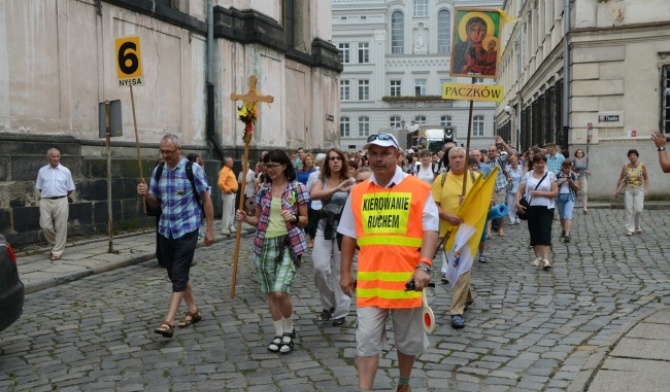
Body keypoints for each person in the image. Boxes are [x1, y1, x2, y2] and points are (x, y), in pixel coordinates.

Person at [338, 133, 439, 392]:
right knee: (366, 340)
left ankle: (404, 383)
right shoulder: (358, 192)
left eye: (385, 153)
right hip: (371, 282)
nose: (378, 159)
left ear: (398, 156)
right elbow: (349, 235)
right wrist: (345, 273)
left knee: (408, 342)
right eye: (373, 153)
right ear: (367, 157)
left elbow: (430, 229)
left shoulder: (418, 188)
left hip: (407, 282)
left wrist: (424, 265)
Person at [136, 134, 215, 338]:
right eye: (161, 151)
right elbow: (155, 202)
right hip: (165, 229)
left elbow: (206, 200)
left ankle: (168, 321)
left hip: (188, 228)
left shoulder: (193, 170)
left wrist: (210, 229)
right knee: (174, 274)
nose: (164, 155)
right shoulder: (159, 170)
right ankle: (194, 311)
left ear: (178, 149)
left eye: (168, 152)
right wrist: (145, 194)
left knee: (179, 273)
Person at [235, 150, 308, 354]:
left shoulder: (297, 188)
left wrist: (293, 217)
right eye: (267, 166)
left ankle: (290, 329)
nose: (270, 169)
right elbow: (258, 220)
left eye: (274, 165)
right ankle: (279, 333)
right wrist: (244, 218)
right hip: (264, 244)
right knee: (271, 294)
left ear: (284, 166)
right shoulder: (263, 189)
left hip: (289, 244)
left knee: (280, 290)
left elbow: (304, 220)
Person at [433, 147, 482, 328]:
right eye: (454, 157)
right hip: (448, 232)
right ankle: (467, 296)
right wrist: (447, 215)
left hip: (468, 232)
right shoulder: (442, 179)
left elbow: (487, 202)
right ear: (449, 160)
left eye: (461, 157)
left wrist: (469, 203)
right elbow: (434, 205)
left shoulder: (475, 179)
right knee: (459, 268)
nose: (458, 160)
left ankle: (456, 311)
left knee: (461, 269)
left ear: (466, 159)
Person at [310, 148, 354, 326]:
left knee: (339, 271)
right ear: (327, 162)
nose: (335, 161)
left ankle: (341, 311)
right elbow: (314, 195)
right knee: (319, 267)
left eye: (338, 158)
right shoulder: (322, 180)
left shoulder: (349, 180)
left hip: (344, 230)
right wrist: (337, 188)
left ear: (343, 162)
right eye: (332, 159)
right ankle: (329, 303)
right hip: (324, 227)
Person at [515, 154, 558, 270]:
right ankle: (538, 257)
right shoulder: (528, 176)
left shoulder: (550, 175)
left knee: (545, 231)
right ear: (533, 164)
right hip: (532, 208)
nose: (540, 165)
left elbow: (555, 193)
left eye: (542, 163)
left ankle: (546, 259)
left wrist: (540, 193)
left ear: (545, 163)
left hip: (547, 208)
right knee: (534, 232)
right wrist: (517, 202)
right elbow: (519, 191)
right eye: (537, 163)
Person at [36, 148, 76, 261]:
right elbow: (39, 187)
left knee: (61, 226)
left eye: (58, 156)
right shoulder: (42, 171)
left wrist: (61, 197)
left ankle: (57, 251)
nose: (56, 159)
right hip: (45, 200)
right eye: (53, 157)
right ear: (48, 158)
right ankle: (56, 244)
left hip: (61, 200)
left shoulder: (65, 171)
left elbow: (70, 189)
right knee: (45, 225)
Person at [614, 149, 649, 236]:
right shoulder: (625, 166)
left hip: (639, 190)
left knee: (638, 209)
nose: (632, 157)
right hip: (629, 190)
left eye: (634, 155)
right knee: (629, 210)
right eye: (630, 155)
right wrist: (617, 191)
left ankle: (637, 226)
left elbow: (646, 178)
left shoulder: (642, 166)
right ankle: (629, 229)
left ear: (637, 156)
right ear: (628, 157)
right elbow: (621, 179)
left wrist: (646, 189)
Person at [306, 153, 327, 249]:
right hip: (316, 203)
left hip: (328, 205)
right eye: (324, 161)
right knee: (314, 223)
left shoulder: (333, 174)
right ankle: (311, 239)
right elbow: (307, 189)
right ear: (320, 163)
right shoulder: (313, 175)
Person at [555, 160, 579, 243]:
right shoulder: (558, 175)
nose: (567, 170)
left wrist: (571, 182)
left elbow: (577, 187)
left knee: (568, 215)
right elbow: (554, 186)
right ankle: (564, 230)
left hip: (570, 197)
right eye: (565, 168)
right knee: (562, 216)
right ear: (563, 167)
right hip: (559, 197)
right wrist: (562, 181)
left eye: (569, 168)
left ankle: (567, 235)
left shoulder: (573, 175)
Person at [217, 157, 238, 236]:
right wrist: (227, 189)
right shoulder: (224, 171)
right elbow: (220, 183)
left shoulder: (229, 170)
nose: (233, 163)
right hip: (228, 193)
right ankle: (225, 229)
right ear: (227, 163)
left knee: (232, 211)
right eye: (231, 161)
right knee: (227, 211)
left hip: (232, 193)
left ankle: (230, 226)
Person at [506, 154, 524, 224]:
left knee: (517, 205)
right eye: (512, 161)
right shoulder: (508, 169)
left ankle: (517, 217)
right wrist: (508, 179)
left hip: (518, 190)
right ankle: (512, 220)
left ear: (517, 161)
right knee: (510, 206)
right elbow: (506, 178)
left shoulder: (521, 168)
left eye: (515, 161)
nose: (514, 162)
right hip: (510, 189)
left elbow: (523, 178)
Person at [572, 149, 590, 214]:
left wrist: (586, 171)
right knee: (573, 193)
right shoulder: (574, 160)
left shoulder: (584, 161)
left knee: (584, 192)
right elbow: (570, 169)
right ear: (576, 154)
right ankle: (571, 206)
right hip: (576, 178)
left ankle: (585, 208)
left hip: (583, 177)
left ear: (582, 154)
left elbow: (583, 169)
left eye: (581, 152)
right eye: (578, 152)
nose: (579, 153)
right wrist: (574, 173)